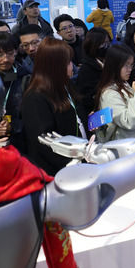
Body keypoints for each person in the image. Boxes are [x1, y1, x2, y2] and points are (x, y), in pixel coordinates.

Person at [17, 38, 86, 175]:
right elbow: (43, 142)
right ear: (55, 66)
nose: (72, 66)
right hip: (58, 171)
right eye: (68, 62)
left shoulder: (66, 85)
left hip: (80, 158)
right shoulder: (35, 97)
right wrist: (73, 163)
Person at [95, 44, 135, 142]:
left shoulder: (124, 84)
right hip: (124, 146)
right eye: (126, 65)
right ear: (114, 65)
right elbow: (129, 122)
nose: (130, 69)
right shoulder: (109, 93)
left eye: (131, 65)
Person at [0, 32, 28, 152]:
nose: (5, 59)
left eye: (9, 53)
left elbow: (32, 115)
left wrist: (14, 126)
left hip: (20, 142)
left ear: (16, 52)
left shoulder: (25, 77)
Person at [74, 27, 111, 126]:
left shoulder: (109, 62)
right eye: (102, 44)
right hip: (97, 114)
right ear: (93, 45)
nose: (106, 47)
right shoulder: (86, 69)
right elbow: (86, 98)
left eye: (108, 43)